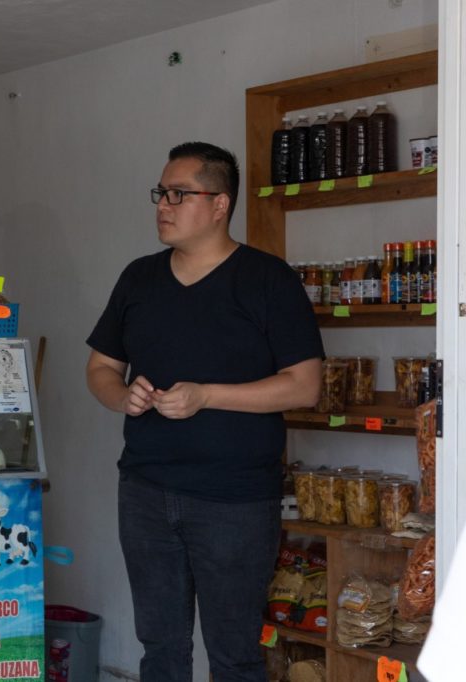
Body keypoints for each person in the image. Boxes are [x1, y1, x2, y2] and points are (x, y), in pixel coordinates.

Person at [85, 142, 323, 682]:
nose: (163, 206)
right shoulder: (139, 278)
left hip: (234, 501)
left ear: (220, 204)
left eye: (179, 194)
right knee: (160, 651)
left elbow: (304, 385)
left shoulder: (268, 280)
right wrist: (122, 396)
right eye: (160, 193)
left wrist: (207, 396)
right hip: (145, 492)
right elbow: (100, 367)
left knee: (234, 656)